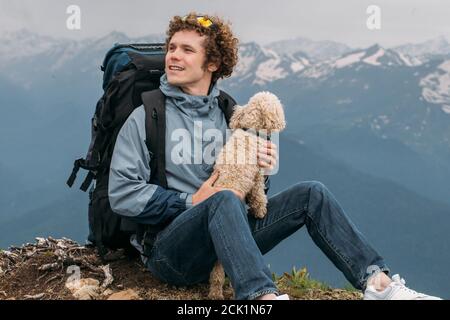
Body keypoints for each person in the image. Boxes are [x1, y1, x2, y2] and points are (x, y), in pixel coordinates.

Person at [108, 12, 442, 300]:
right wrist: (191, 201)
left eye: (186, 50)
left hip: (226, 240)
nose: (173, 56)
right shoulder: (148, 115)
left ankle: (379, 284)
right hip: (171, 251)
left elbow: (247, 193)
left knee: (312, 193)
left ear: (213, 63)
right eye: (172, 48)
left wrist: (260, 173)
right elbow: (122, 194)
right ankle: (261, 296)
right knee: (222, 200)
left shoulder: (229, 113)